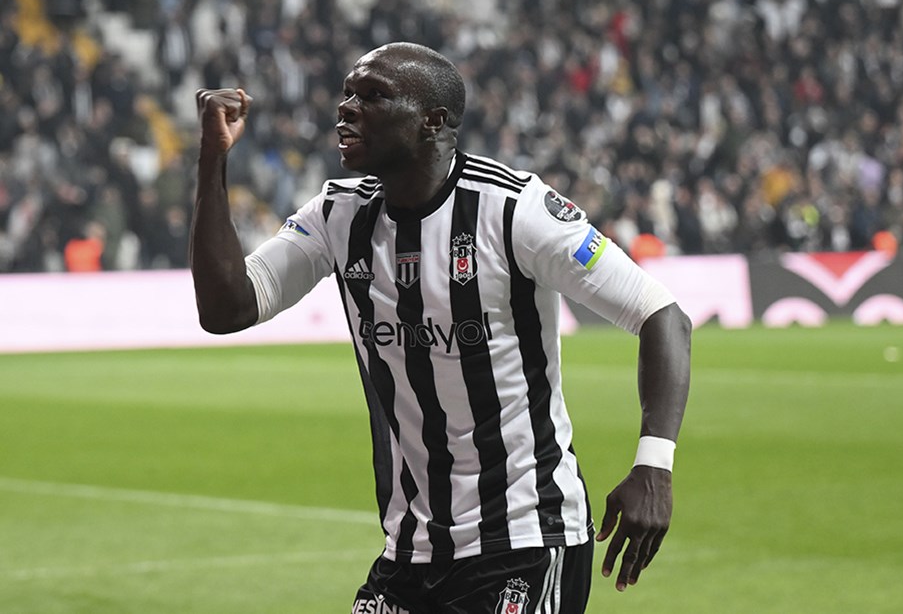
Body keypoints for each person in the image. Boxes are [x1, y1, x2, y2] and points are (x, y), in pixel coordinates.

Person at [190, 42, 691, 614]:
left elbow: (662, 314)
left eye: (373, 96)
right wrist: (212, 158)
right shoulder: (337, 215)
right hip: (411, 547)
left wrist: (655, 464)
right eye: (348, 93)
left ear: (434, 122)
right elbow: (227, 308)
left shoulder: (513, 210)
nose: (347, 108)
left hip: (523, 538)